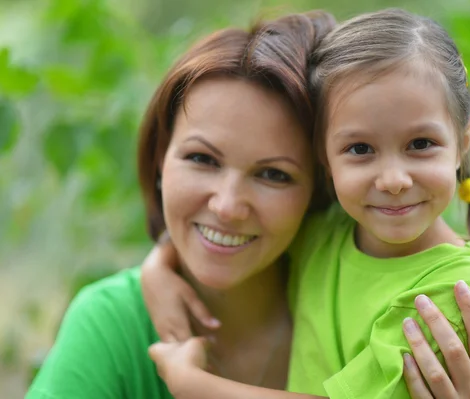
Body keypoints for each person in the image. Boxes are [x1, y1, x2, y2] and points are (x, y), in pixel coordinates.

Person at [143, 8, 470, 399]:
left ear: (464, 141)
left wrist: (191, 384)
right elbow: (234, 228)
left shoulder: (459, 288)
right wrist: (158, 268)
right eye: (360, 148)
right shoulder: (326, 237)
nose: (393, 180)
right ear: (324, 156)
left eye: (420, 144)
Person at [26, 11, 337, 398]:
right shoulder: (111, 324)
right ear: (160, 158)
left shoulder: (356, 307)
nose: (227, 206)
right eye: (202, 159)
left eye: (273, 174)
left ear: (321, 189)